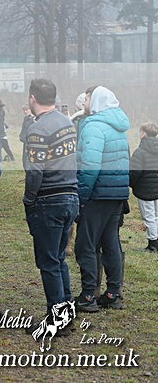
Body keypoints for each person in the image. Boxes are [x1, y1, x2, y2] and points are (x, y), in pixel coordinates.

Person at [22, 78, 79, 321]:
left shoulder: (37, 129)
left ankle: (57, 318)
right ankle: (66, 312)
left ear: (32, 98)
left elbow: (36, 170)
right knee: (59, 259)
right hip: (71, 197)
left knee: (47, 262)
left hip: (49, 199)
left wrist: (28, 199)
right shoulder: (68, 124)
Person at [74, 86, 130, 312]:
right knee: (110, 243)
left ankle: (88, 295)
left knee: (85, 244)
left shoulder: (94, 126)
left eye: (87, 97)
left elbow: (90, 165)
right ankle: (113, 293)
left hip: (97, 194)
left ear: (95, 100)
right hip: (116, 193)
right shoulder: (119, 126)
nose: (84, 101)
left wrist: (82, 195)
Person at [130, 122, 158, 253]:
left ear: (144, 134)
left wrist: (132, 184)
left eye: (140, 132)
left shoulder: (140, 152)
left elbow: (134, 173)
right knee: (156, 216)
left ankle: (153, 244)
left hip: (145, 190)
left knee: (149, 217)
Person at [18, 104, 35, 169]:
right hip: (25, 141)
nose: (25, 111)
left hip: (31, 141)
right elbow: (24, 129)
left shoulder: (34, 119)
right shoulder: (26, 119)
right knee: (24, 159)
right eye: (24, 110)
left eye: (27, 110)